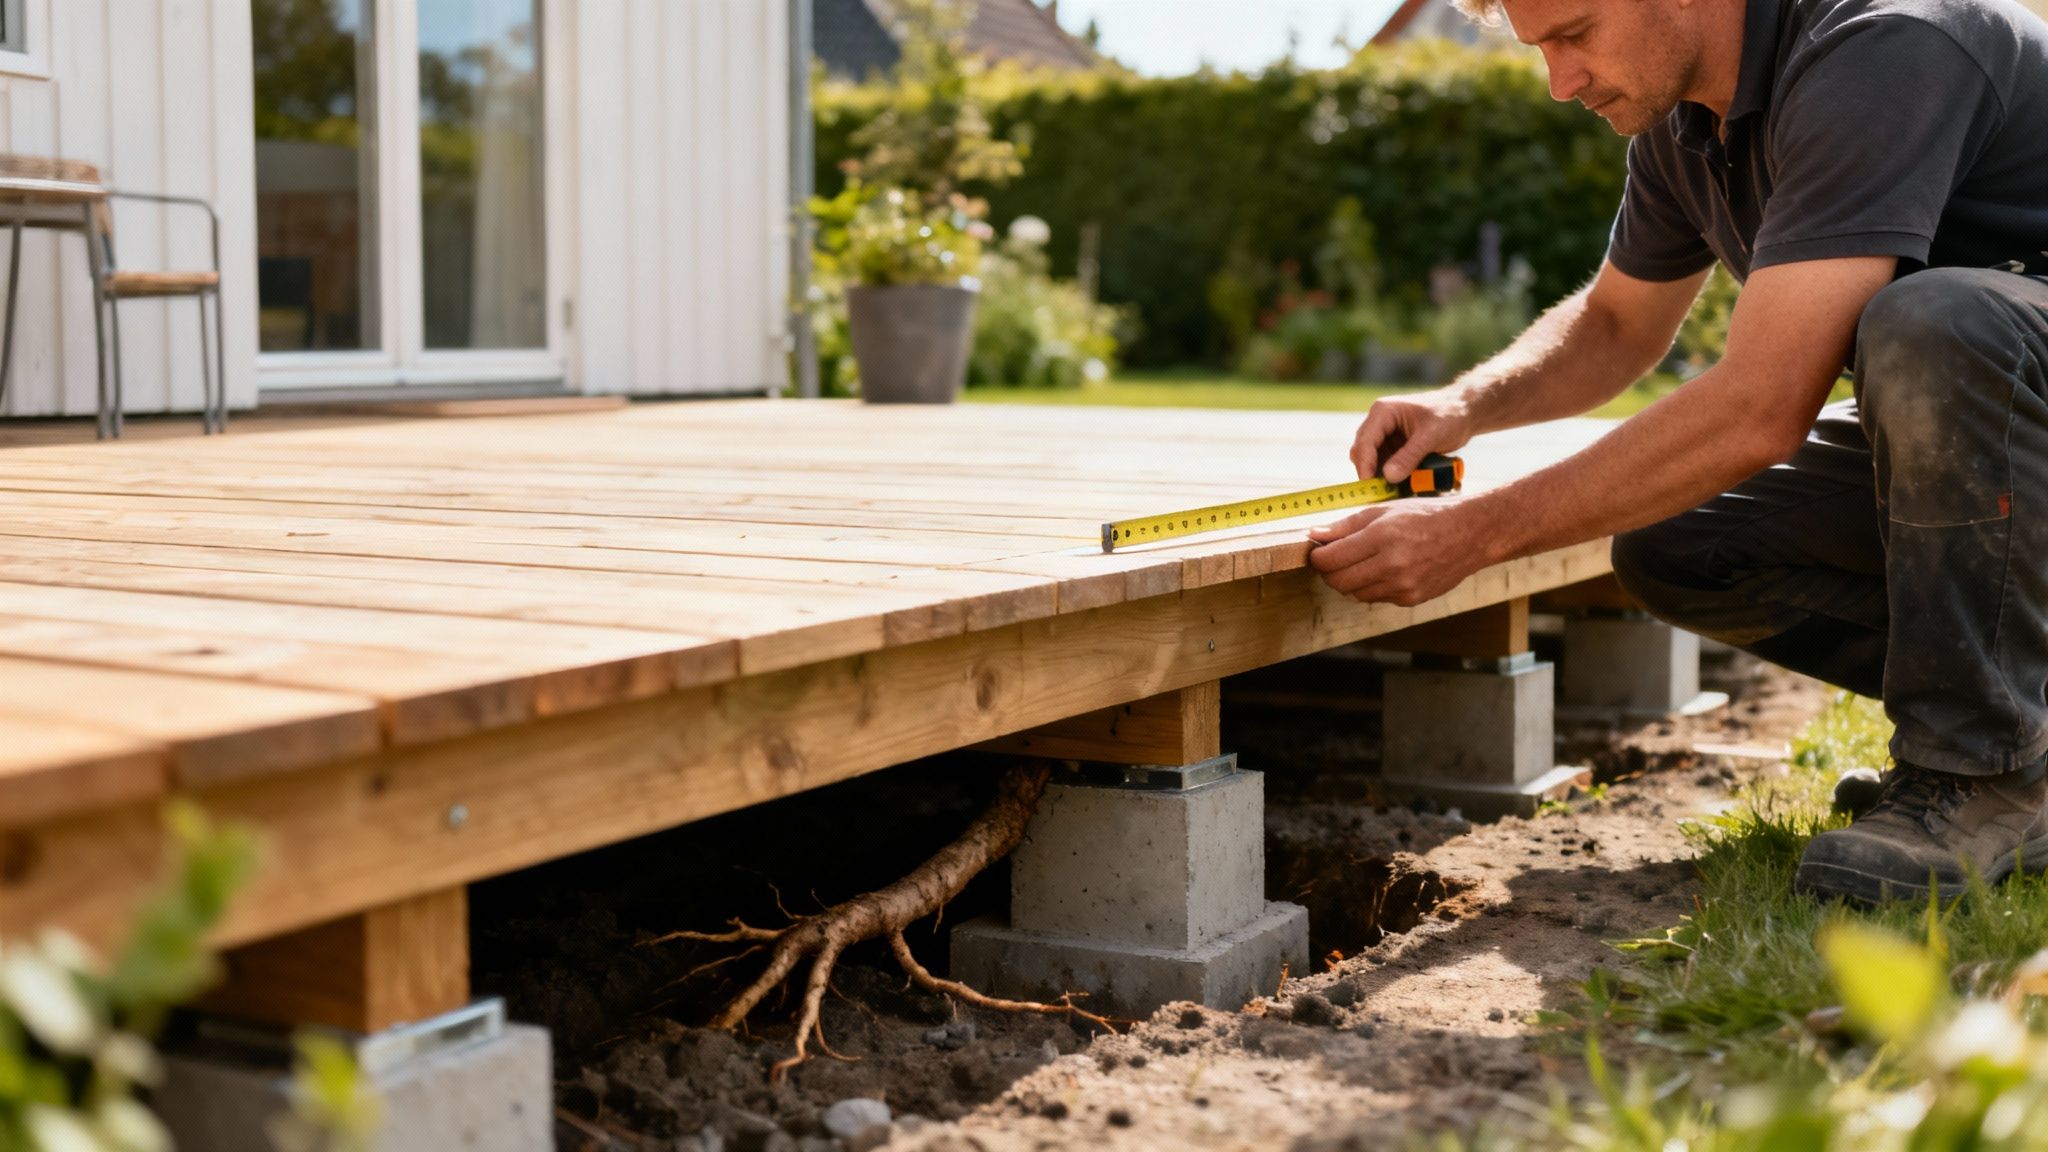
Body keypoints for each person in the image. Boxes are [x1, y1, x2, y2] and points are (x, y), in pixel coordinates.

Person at [1308, 0, 2048, 903]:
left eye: (1575, 34)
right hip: (2024, 459)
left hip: (2017, 411)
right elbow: (1617, 324)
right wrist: (1465, 404)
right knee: (1678, 543)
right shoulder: (1690, 127)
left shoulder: (1885, 45)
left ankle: (1987, 772)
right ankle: (2026, 740)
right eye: (1539, 48)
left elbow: (1760, 409)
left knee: (1937, 321)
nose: (1559, 83)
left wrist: (1476, 533)